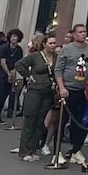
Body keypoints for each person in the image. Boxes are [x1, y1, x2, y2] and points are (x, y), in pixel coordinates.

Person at [53, 22, 88, 167]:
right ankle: (56, 152)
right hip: (67, 90)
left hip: (82, 91)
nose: (82, 34)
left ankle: (75, 150)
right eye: (79, 32)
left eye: (84, 32)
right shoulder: (66, 49)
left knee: (79, 123)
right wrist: (61, 87)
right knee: (61, 121)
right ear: (74, 34)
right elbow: (58, 69)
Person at [15, 33, 57, 161]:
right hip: (34, 91)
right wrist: (28, 75)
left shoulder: (56, 57)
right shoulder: (36, 56)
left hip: (48, 91)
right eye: (50, 43)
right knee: (30, 120)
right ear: (44, 44)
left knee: (40, 122)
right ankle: (24, 151)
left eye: (54, 43)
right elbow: (19, 64)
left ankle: (32, 149)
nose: (53, 46)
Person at [0, 30, 23, 125]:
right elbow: (2, 61)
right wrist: (8, 73)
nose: (13, 38)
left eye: (15, 37)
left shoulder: (19, 50)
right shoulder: (4, 47)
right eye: (12, 36)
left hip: (12, 72)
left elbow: (18, 63)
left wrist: (13, 74)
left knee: (5, 94)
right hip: (2, 72)